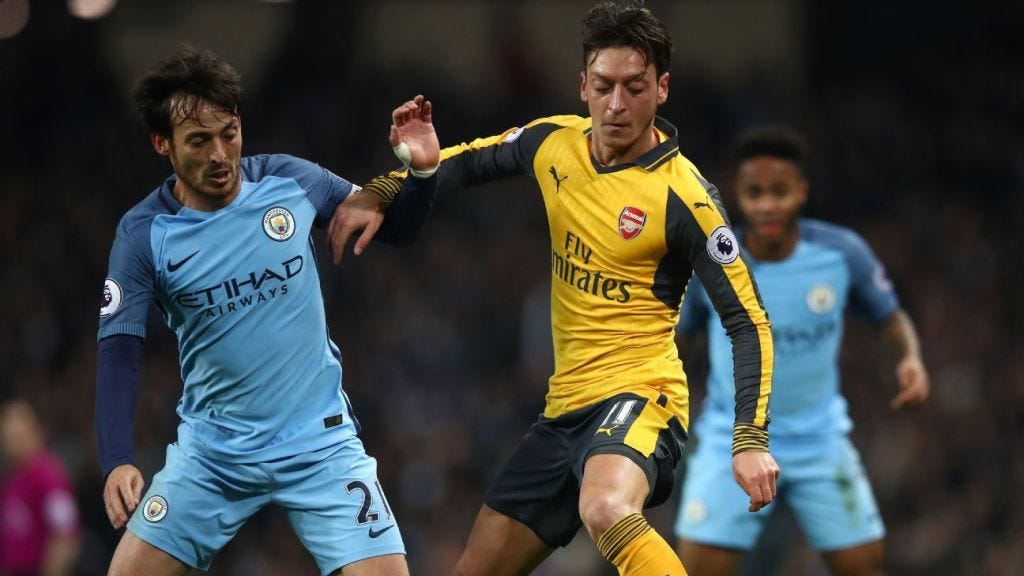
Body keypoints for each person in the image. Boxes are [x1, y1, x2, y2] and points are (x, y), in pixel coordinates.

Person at [334, 3, 780, 574]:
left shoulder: (686, 198)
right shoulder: (555, 143)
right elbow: (467, 162)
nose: (616, 104)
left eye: (634, 87)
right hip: (564, 410)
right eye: (604, 86)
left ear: (662, 89)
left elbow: (748, 319)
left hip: (642, 398)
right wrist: (389, 185)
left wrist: (750, 438)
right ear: (583, 86)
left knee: (606, 506)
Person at [95, 45, 439, 576]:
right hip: (214, 455)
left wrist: (422, 173)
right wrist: (117, 459)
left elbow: (396, 228)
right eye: (199, 141)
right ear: (162, 143)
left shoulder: (289, 181)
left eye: (229, 134)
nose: (220, 155)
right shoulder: (144, 234)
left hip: (320, 444)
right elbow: (119, 350)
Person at [673, 126, 930, 575]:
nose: (767, 205)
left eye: (779, 191)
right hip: (731, 439)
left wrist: (911, 358)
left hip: (820, 439)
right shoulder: (711, 262)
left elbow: (890, 318)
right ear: (738, 196)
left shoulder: (841, 254)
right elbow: (677, 339)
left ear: (801, 191)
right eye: (755, 193)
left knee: (866, 568)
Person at [0, 400, 81, 576]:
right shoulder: (11, 478)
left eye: (18, 438)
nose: (12, 446)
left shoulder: (49, 477)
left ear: (36, 433)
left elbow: (65, 534)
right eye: (7, 439)